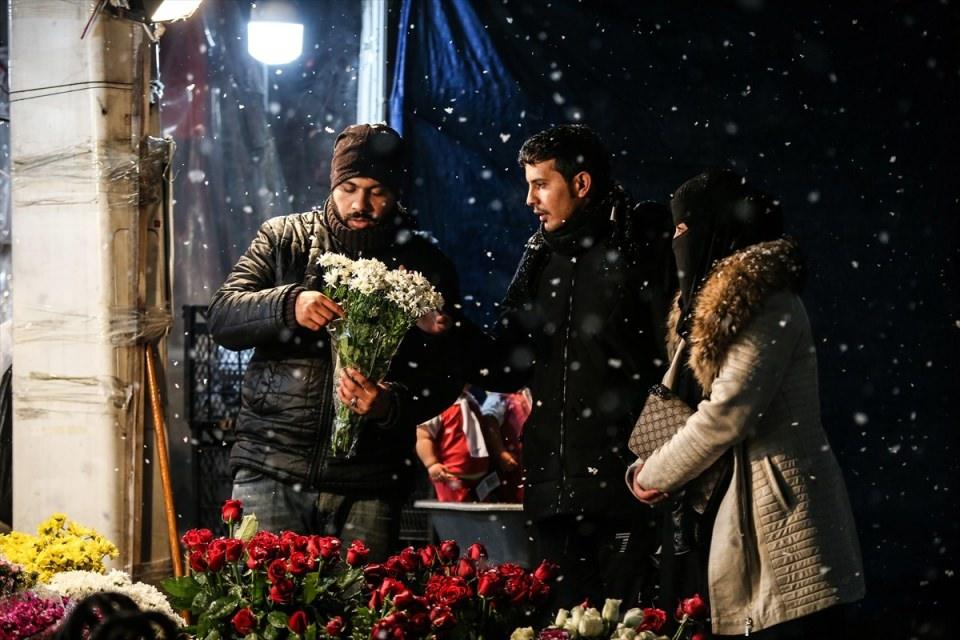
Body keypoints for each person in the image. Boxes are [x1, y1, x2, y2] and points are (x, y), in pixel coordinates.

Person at [208, 123, 462, 561]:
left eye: (377, 191)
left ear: (397, 192)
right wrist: (288, 304)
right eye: (349, 188)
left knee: (362, 603)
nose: (360, 204)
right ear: (332, 184)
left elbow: (447, 373)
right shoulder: (284, 238)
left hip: (370, 480)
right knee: (261, 601)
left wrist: (390, 404)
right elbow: (222, 315)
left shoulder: (425, 263)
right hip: (272, 466)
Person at [628, 169, 865, 637]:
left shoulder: (764, 302)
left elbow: (726, 415)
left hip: (777, 516)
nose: (677, 241)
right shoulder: (700, 311)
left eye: (684, 227)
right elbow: (676, 397)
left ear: (717, 226)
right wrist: (642, 463)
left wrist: (654, 473)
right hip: (722, 511)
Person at [466, 124, 674, 607]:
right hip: (551, 498)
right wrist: (444, 332)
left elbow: (675, 364)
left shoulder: (642, 248)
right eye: (528, 185)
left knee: (632, 628)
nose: (529, 200)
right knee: (560, 628)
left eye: (541, 184)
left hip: (628, 491)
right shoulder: (539, 260)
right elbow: (505, 366)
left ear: (581, 184)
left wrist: (658, 462)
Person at [415, 388, 492, 502]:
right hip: (449, 475)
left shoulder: (471, 401)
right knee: (456, 510)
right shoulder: (438, 403)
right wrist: (432, 464)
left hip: (479, 475)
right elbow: (423, 436)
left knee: (480, 510)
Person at [479, 388, 531, 502]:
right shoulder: (500, 395)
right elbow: (489, 419)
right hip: (512, 462)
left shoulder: (525, 393)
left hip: (527, 461)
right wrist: (501, 452)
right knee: (513, 496)